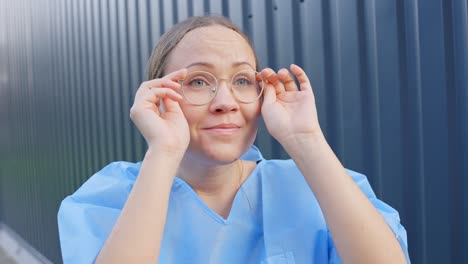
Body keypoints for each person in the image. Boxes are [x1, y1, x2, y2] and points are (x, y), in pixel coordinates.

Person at [57, 15, 410, 264]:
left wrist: (306, 139)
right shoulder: (106, 199)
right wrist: (164, 151)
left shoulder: (320, 185)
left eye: (242, 81)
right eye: (198, 81)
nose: (225, 103)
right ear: (159, 96)